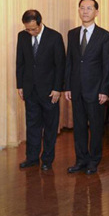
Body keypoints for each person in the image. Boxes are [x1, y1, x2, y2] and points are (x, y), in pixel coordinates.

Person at [64, 0, 109, 175]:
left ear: (96, 12)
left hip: (95, 90)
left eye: (89, 8)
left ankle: (94, 160)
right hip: (76, 89)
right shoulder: (72, 33)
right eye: (82, 8)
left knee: (96, 126)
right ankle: (81, 159)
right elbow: (69, 61)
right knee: (78, 126)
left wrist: (104, 89)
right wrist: (67, 86)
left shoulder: (104, 35)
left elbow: (107, 65)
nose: (85, 11)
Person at [16, 10, 65, 170]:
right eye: (28, 29)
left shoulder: (54, 37)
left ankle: (47, 160)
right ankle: (32, 158)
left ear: (40, 23)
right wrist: (20, 85)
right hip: (30, 89)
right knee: (32, 125)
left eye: (33, 29)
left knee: (50, 127)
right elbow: (20, 62)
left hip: (49, 91)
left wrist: (58, 88)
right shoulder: (22, 36)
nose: (31, 32)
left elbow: (60, 65)